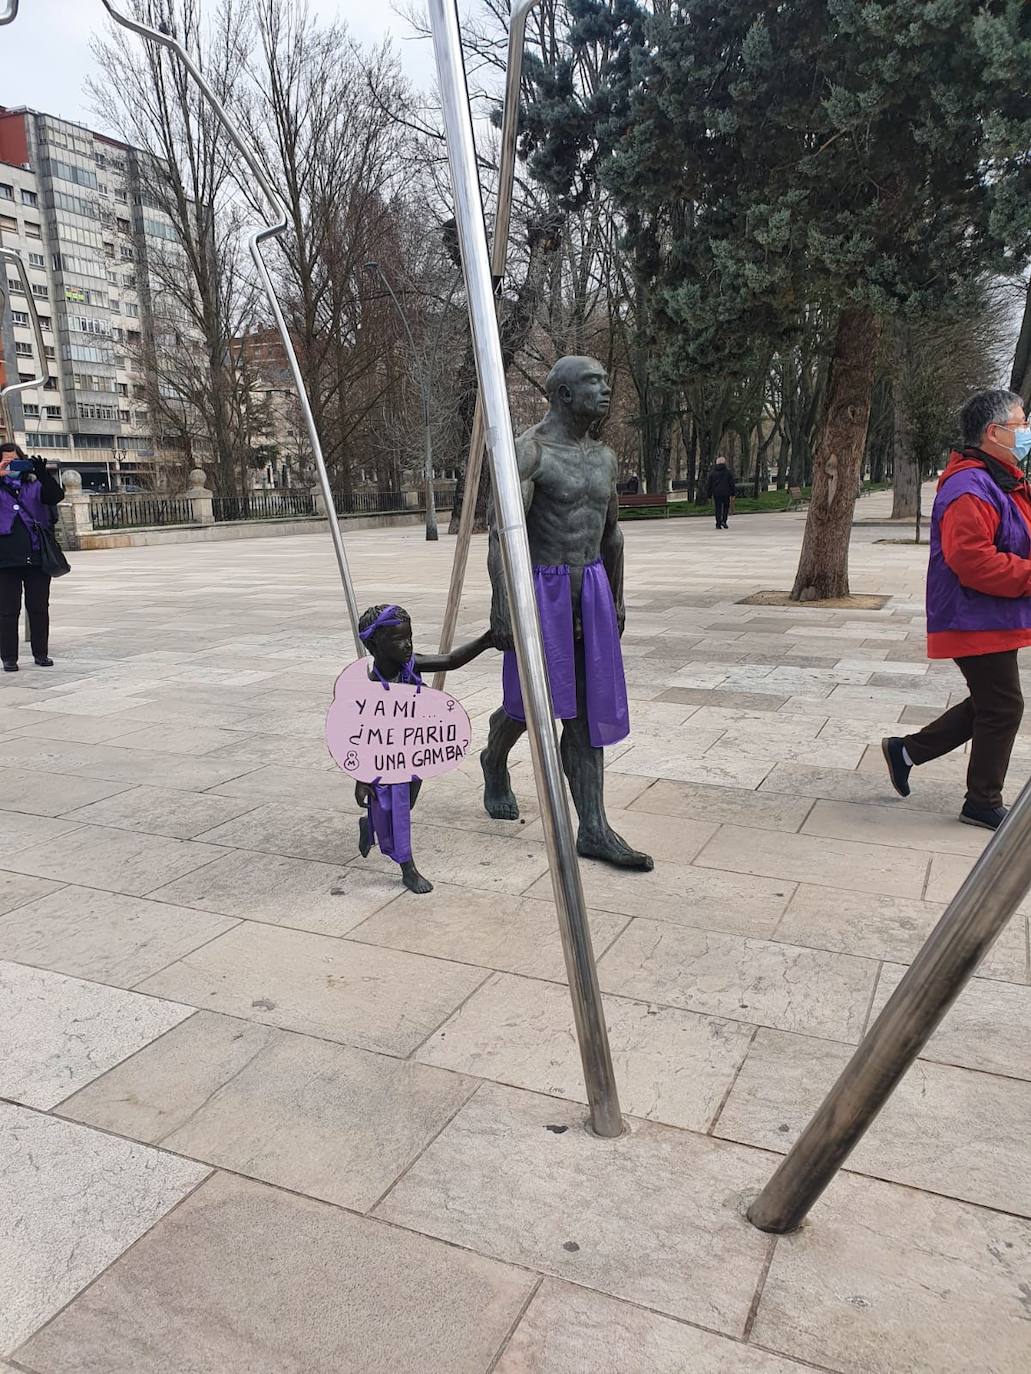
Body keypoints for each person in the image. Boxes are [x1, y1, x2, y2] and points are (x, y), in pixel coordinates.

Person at [480, 354, 653, 870]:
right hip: (543, 591)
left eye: (605, 380)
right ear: (562, 395)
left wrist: (617, 597)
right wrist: (505, 607)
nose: (605, 391)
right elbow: (500, 536)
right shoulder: (529, 453)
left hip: (592, 590)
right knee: (529, 705)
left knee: (583, 711)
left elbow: (611, 533)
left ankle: (594, 828)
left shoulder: (605, 458)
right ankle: (494, 758)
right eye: (593, 383)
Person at [882, 389, 1031, 830]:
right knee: (1003, 706)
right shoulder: (972, 485)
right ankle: (981, 802)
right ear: (994, 431)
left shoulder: (999, 478)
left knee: (993, 701)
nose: (1026, 432)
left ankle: (906, 751)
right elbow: (972, 560)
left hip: (992, 613)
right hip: (974, 614)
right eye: (1021, 424)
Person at [350, 603, 494, 893]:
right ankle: (408, 868)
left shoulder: (410, 665)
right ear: (376, 644)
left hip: (413, 752)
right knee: (398, 810)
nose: (407, 645)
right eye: (399, 639)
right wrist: (361, 778)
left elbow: (450, 660)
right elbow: (356, 736)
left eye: (410, 637)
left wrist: (486, 641)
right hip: (382, 759)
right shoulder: (366, 685)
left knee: (407, 802)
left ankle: (371, 822)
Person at [0, 442, 64, 672]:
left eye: (15, 461)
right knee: (8, 610)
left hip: (37, 556)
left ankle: (41, 653)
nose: (11, 466)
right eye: (6, 461)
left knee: (38, 607)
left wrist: (42, 474)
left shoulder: (34, 485)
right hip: (6, 560)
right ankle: (8, 657)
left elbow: (56, 496)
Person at [705, 455, 737, 528]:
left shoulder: (712, 473)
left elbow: (709, 484)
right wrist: (733, 493)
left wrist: (709, 495)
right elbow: (731, 483)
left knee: (718, 508)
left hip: (716, 493)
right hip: (726, 492)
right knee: (726, 507)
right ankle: (724, 521)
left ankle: (718, 523)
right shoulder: (728, 472)